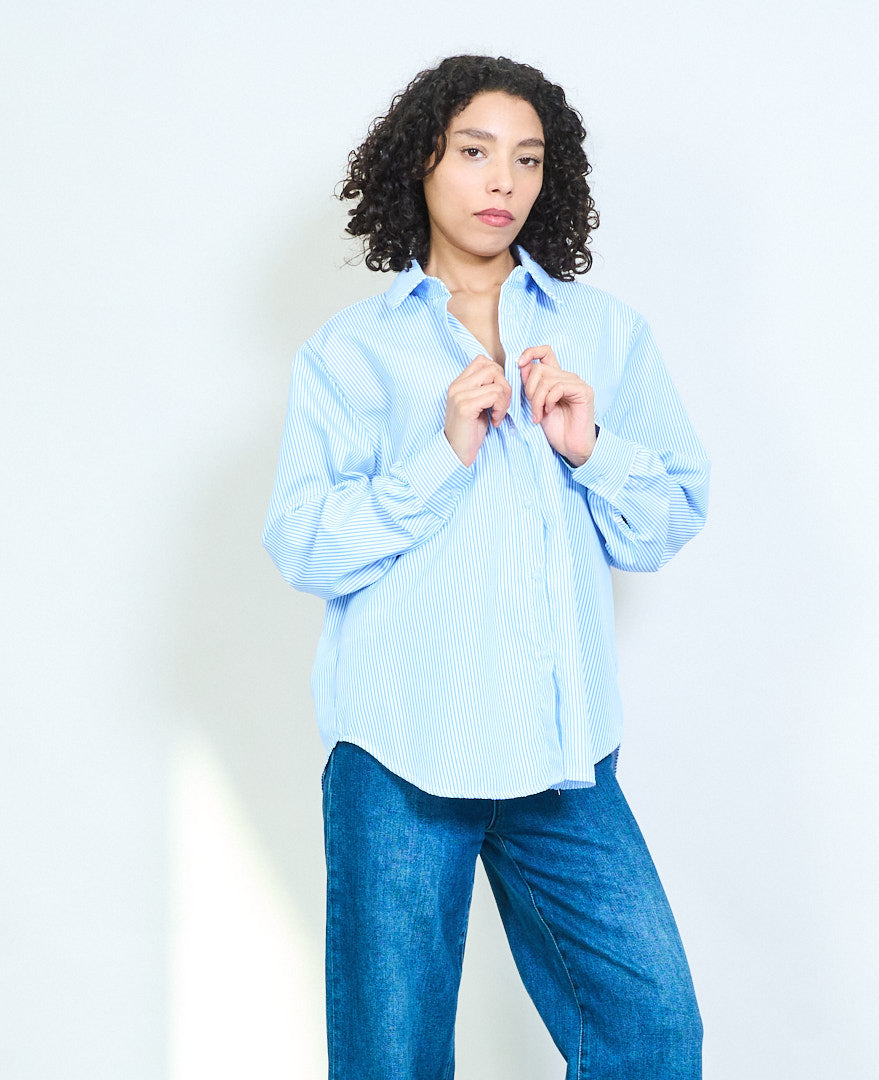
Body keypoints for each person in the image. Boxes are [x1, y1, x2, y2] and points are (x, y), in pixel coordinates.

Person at [262, 54, 710, 1080]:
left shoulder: (604, 333)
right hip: (401, 750)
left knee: (652, 1033)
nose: (502, 180)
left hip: (562, 753)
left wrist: (591, 448)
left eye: (527, 158)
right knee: (394, 1062)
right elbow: (303, 544)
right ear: (421, 162)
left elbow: (667, 520)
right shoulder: (351, 353)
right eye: (474, 152)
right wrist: (440, 454)